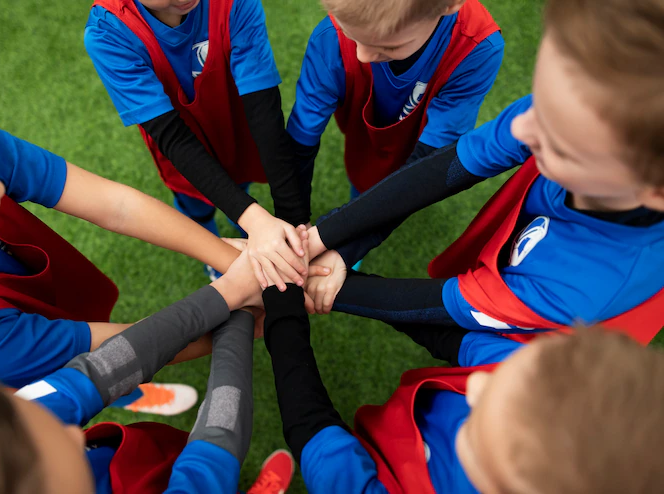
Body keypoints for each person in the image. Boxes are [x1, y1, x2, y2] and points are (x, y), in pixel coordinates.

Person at [303, 0, 664, 343]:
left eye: (556, 138)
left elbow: (450, 307)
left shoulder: (586, 287)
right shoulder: (584, 117)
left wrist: (303, 277)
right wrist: (327, 240)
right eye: (537, 101)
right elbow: (445, 168)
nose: (520, 130)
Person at [0, 80, 241, 388]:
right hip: (7, 353)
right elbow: (115, 350)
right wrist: (239, 317)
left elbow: (115, 206)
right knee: (85, 377)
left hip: (33, 299)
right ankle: (128, 394)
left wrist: (237, 263)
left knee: (90, 344)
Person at [0, 250, 295, 494]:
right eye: (63, 445)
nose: (76, 433)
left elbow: (102, 369)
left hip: (138, 462)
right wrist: (242, 317)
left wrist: (228, 293)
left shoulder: (0, 430)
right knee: (211, 475)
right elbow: (216, 443)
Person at [262, 281, 664, 493]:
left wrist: (282, 315)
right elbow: (459, 341)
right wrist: (348, 288)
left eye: (476, 428)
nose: (474, 387)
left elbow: (311, 427)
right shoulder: (547, 388)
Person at [84, 0, 309, 288]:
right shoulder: (109, 32)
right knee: (195, 206)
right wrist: (257, 221)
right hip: (182, 156)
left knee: (240, 184)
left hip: (235, 131)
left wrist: (294, 222)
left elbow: (263, 110)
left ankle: (244, 221)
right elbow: (173, 138)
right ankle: (213, 248)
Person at [287, 0, 504, 241]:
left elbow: (432, 158)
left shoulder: (475, 47)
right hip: (365, 136)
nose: (362, 56)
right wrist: (295, 217)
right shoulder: (332, 34)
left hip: (418, 145)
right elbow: (301, 137)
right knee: (365, 171)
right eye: (350, 33)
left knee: (377, 186)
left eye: (388, 47)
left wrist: (345, 244)